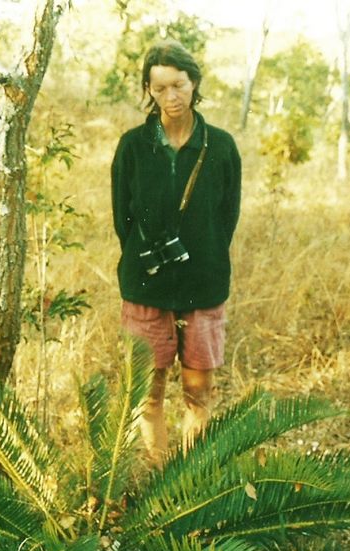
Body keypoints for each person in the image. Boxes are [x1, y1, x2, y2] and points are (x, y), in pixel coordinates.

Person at [111, 39, 241, 467]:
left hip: (203, 286)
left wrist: (201, 256)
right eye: (160, 87)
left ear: (195, 84)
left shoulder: (220, 147)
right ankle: (159, 483)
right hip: (145, 286)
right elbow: (122, 221)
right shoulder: (133, 146)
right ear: (149, 90)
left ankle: (188, 487)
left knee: (198, 392)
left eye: (179, 85)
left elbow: (226, 219)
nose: (171, 97)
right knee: (149, 393)